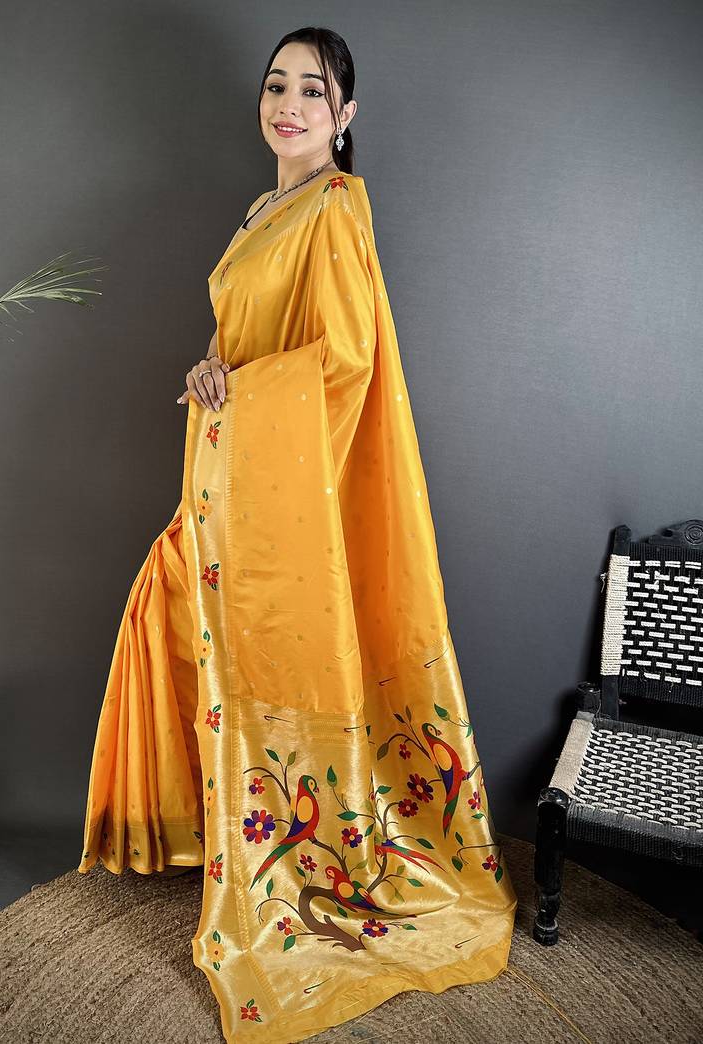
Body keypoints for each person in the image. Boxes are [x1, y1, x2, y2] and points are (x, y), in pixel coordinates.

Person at [78, 25, 517, 1044]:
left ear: (344, 115)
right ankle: (218, 833)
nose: (288, 104)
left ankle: (297, 854)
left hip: (276, 470)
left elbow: (346, 357)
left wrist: (241, 389)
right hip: (224, 457)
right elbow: (243, 331)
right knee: (195, 627)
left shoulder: (335, 206)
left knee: (263, 643)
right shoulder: (261, 210)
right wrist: (209, 367)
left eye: (311, 90)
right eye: (276, 85)